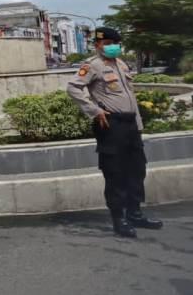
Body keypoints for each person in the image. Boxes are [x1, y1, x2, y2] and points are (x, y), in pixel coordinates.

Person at [66, 27, 163, 238]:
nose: (111, 46)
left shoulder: (121, 64)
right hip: (111, 125)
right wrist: (94, 110)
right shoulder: (92, 65)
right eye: (106, 43)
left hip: (130, 125)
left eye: (114, 43)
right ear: (97, 45)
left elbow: (130, 96)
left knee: (137, 169)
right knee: (115, 173)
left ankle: (135, 214)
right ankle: (119, 220)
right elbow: (73, 87)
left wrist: (138, 124)